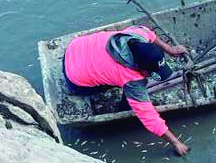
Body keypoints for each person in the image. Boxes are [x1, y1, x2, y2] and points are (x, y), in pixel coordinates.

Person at [63, 24, 190, 156]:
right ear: (141, 68)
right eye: (150, 72)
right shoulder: (131, 79)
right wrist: (175, 142)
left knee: (123, 77)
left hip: (74, 48)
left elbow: (147, 31)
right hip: (75, 81)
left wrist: (170, 49)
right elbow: (149, 118)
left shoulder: (136, 36)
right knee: (134, 87)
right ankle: (124, 107)